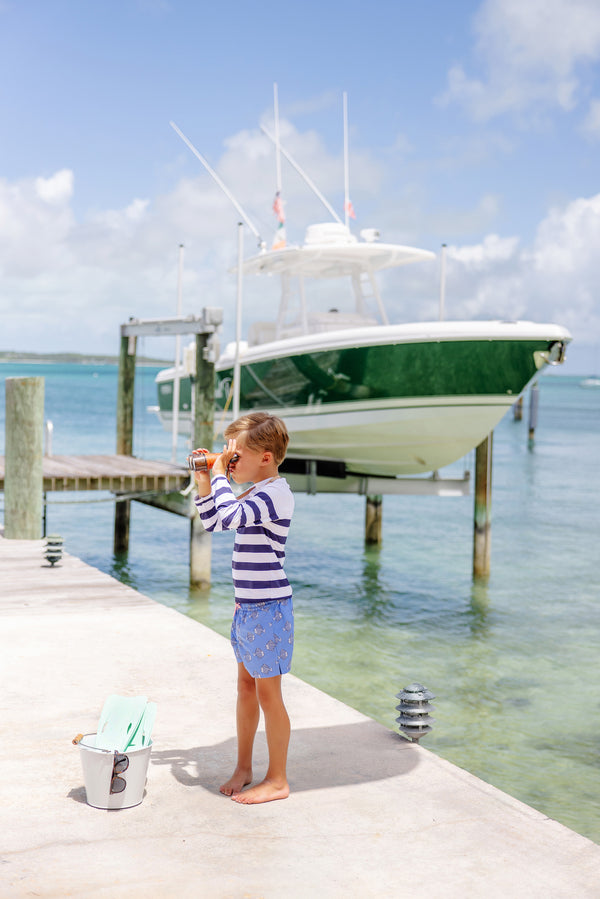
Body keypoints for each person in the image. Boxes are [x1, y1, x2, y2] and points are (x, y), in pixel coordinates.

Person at [192, 412, 295, 804]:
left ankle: (279, 779)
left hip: (269, 607)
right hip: (248, 607)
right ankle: (244, 766)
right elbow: (214, 522)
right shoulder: (254, 491)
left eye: (236, 457)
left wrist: (219, 472)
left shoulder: (275, 494)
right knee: (246, 686)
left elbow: (230, 515)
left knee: (270, 695)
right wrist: (207, 480)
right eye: (228, 457)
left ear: (266, 457)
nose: (230, 464)